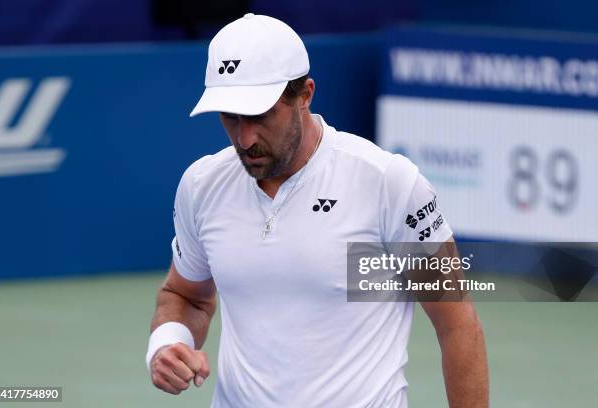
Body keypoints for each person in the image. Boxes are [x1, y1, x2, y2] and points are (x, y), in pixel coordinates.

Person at [146, 13, 488, 407]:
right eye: (230, 117)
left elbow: (457, 324)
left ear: (305, 95)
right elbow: (186, 295)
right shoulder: (202, 185)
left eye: (259, 115)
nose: (245, 137)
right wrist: (168, 343)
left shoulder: (387, 182)